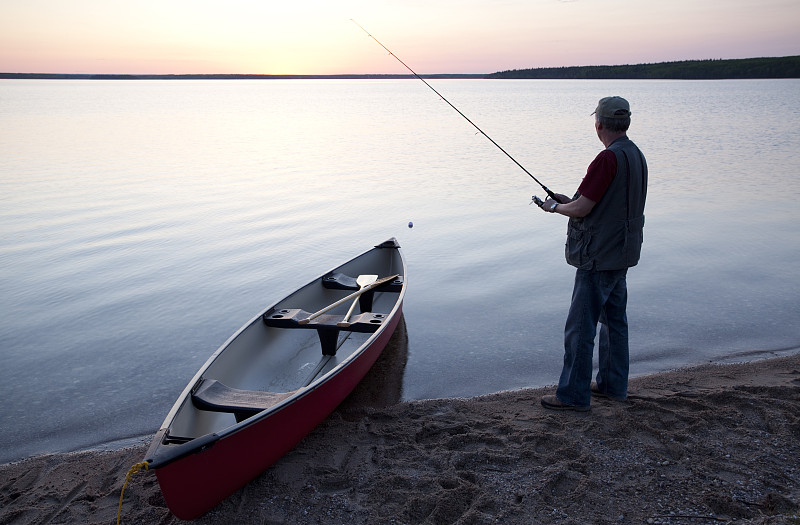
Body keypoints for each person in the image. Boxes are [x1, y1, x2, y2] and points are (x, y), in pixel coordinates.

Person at [537, 96, 648, 411]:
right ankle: (614, 386)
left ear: (599, 124)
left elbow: (584, 208)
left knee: (580, 327)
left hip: (598, 257)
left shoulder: (606, 159)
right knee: (614, 322)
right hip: (623, 252)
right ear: (624, 123)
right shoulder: (636, 155)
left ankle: (573, 395)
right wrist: (567, 200)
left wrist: (555, 207)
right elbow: (603, 201)